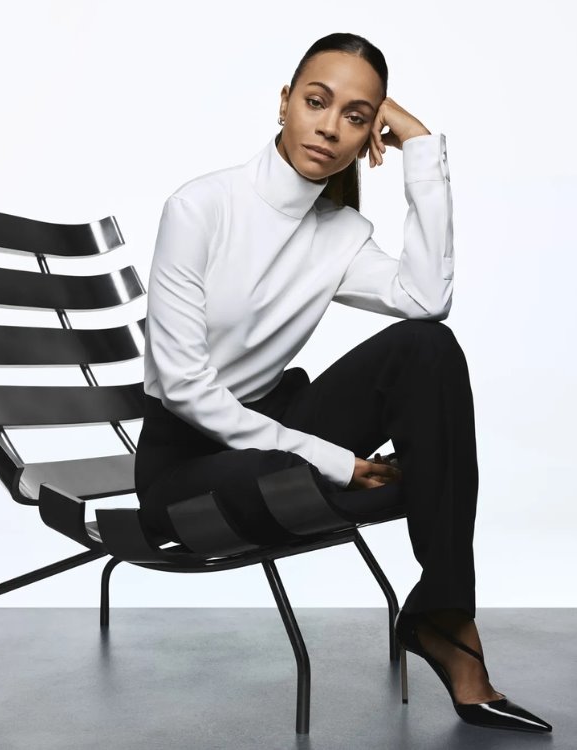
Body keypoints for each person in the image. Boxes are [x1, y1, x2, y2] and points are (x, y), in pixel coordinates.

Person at [134, 32, 552, 733]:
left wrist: (420, 147)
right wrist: (330, 458)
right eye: (316, 102)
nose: (330, 127)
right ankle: (441, 606)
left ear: (368, 139)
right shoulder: (200, 207)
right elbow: (182, 387)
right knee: (419, 471)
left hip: (274, 433)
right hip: (186, 472)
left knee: (426, 347)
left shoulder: (341, 233)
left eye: (356, 117)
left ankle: (446, 613)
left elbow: (426, 300)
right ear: (284, 103)